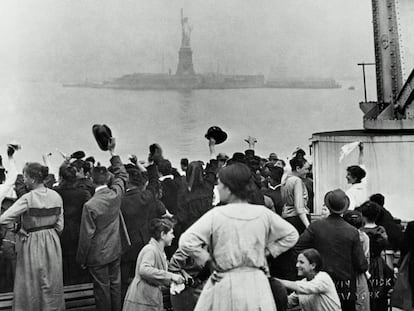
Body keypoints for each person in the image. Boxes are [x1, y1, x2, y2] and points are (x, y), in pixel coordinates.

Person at [179, 162, 299, 311]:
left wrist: (208, 260)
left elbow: (186, 241)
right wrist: (268, 252)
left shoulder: (216, 215)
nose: (218, 187)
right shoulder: (262, 213)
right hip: (256, 280)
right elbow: (291, 235)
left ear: (229, 189)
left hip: (226, 280)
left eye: (220, 184)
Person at [0, 162, 65, 310]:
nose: (23, 180)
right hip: (52, 241)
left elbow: (3, 219)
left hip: (32, 241)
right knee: (51, 282)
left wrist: (17, 228)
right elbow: (60, 226)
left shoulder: (28, 198)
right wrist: (50, 234)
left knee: (31, 283)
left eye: (25, 176)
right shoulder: (56, 196)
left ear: (33, 179)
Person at [76, 137, 128, 311]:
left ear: (91, 180)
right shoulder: (116, 195)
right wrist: (113, 152)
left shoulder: (90, 205)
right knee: (115, 285)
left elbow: (86, 236)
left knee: (101, 290)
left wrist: (81, 259)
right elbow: (122, 175)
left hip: (97, 255)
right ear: (108, 178)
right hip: (115, 249)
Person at [295, 189, 368, 311]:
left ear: (328, 205)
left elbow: (298, 247)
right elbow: (361, 264)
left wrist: (313, 263)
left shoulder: (316, 227)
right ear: (344, 207)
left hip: (320, 282)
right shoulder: (352, 231)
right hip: (345, 287)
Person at [122, 218, 185, 311]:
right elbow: (144, 270)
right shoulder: (150, 249)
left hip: (150, 298)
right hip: (142, 299)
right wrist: (171, 276)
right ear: (163, 235)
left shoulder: (160, 251)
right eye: (171, 233)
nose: (173, 236)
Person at [54, 164, 91, 285]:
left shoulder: (55, 193)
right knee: (77, 270)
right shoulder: (83, 193)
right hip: (78, 234)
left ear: (61, 177)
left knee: (61, 268)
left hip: (59, 233)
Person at [276, 248, 342, 311]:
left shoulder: (323, 278)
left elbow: (306, 288)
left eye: (301, 262)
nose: (297, 265)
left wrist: (275, 282)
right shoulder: (303, 283)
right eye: (297, 262)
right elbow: (287, 303)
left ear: (313, 265)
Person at [358, 201, 393, 311]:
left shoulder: (360, 231)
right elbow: (386, 244)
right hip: (379, 264)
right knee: (380, 293)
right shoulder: (380, 230)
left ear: (362, 215)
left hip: (364, 263)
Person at [343, 210, 370, 311]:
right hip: (359, 274)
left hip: (343, 273)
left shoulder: (343, 236)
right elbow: (366, 258)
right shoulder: (364, 237)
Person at [281, 156, 310, 234]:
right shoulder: (297, 181)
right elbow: (299, 208)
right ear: (298, 168)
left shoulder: (285, 180)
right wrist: (308, 226)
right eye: (306, 169)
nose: (308, 172)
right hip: (298, 220)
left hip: (287, 217)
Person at [345, 143, 367, 210]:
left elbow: (350, 209)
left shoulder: (350, 192)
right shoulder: (363, 183)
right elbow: (361, 164)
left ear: (355, 178)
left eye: (349, 174)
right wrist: (361, 150)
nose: (346, 176)